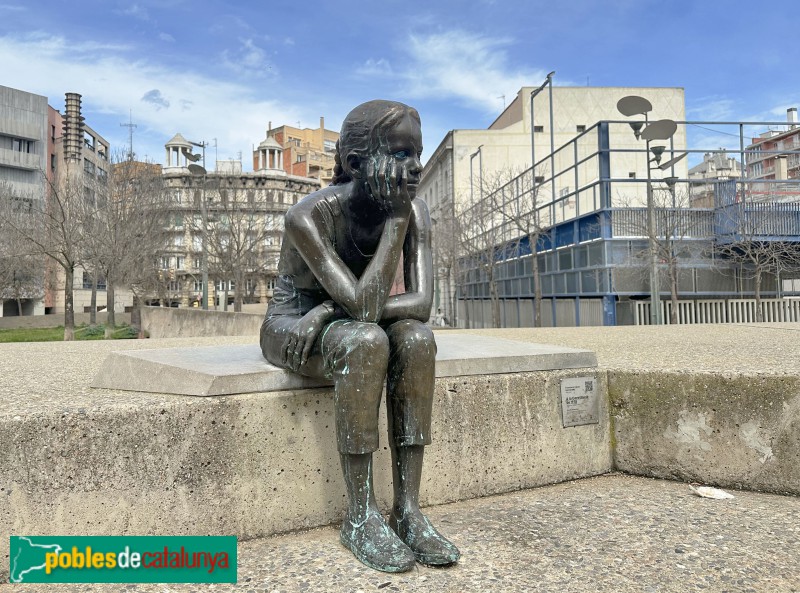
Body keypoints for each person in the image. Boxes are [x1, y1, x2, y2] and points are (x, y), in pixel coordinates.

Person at [260, 100, 459, 573]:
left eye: (418, 154)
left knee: (415, 341)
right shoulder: (307, 216)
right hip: (294, 326)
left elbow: (420, 305)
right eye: (400, 153)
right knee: (365, 342)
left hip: (336, 315)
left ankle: (408, 510)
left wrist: (334, 309)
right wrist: (394, 221)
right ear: (355, 164)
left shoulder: (417, 212)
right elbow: (365, 312)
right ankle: (360, 513)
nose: (414, 168)